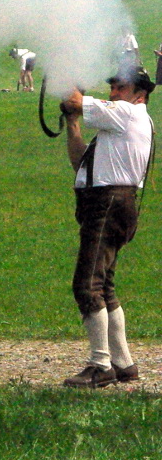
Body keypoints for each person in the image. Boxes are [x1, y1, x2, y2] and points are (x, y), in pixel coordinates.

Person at [59, 67, 153, 387]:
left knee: (87, 286)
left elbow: (75, 98)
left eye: (120, 87)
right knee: (104, 287)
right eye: (111, 86)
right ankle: (123, 363)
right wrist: (72, 121)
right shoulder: (119, 123)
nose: (113, 92)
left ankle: (100, 364)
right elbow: (79, 162)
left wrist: (65, 81)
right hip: (110, 202)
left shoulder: (127, 113)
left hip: (109, 204)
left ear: (139, 94)